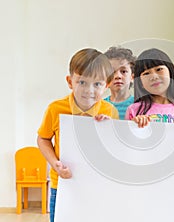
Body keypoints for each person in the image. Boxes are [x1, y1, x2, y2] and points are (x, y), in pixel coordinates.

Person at [37, 48, 119, 222]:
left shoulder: (109, 111)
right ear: (70, 81)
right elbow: (43, 138)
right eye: (82, 82)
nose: (88, 90)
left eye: (97, 84)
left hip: (96, 186)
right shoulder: (56, 108)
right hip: (62, 185)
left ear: (107, 84)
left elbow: (114, 150)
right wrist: (54, 163)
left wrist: (107, 129)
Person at [125, 48, 174, 128]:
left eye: (159, 69)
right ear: (140, 82)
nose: (154, 77)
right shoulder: (134, 110)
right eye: (146, 73)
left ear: (170, 72)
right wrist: (135, 125)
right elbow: (128, 138)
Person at [104, 46, 136, 119]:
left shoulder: (140, 106)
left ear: (132, 77)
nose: (118, 76)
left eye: (123, 71)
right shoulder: (99, 106)